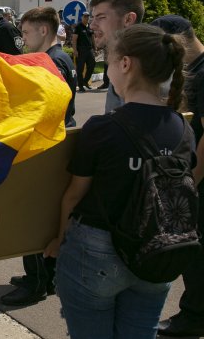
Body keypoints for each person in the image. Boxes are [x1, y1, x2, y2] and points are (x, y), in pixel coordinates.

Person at [44, 24, 194, 339]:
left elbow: (73, 196)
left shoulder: (102, 128)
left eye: (108, 60)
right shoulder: (183, 127)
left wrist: (59, 241)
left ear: (125, 64)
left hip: (98, 252)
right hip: (158, 252)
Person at [0, 6, 77, 306]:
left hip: (43, 145)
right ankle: (48, 275)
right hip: (57, 142)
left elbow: (42, 108)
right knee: (46, 217)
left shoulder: (47, 62)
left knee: (30, 216)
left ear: (44, 31)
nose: (23, 37)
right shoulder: (63, 58)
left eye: (27, 31)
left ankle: (36, 282)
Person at [150, 15, 204, 337]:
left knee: (196, 254)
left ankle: (194, 316)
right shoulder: (195, 69)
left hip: (199, 179)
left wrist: (191, 184)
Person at [88, 0, 144, 112]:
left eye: (101, 17)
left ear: (128, 19)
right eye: (93, 17)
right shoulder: (123, 60)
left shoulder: (143, 66)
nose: (92, 25)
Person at [72, 12, 96, 93]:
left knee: (92, 65)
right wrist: (75, 50)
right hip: (81, 50)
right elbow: (74, 39)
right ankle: (81, 85)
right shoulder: (78, 27)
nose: (86, 18)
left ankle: (85, 81)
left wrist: (95, 48)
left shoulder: (90, 26)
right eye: (85, 16)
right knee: (80, 68)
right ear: (82, 17)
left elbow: (92, 37)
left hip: (89, 50)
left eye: (87, 17)